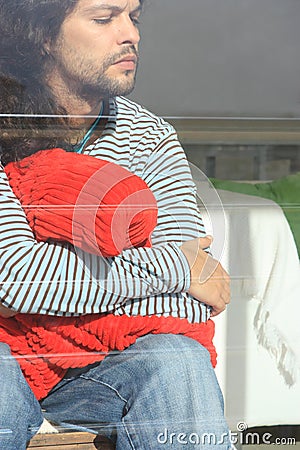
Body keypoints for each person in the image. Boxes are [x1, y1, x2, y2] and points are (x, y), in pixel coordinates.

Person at [0, 0, 231, 449]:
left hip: (103, 367)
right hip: (9, 358)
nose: (132, 35)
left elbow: (188, 306)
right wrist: (173, 268)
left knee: (178, 358)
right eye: (105, 18)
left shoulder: (150, 138)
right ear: (43, 36)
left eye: (134, 17)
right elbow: (13, 279)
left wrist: (46, 283)